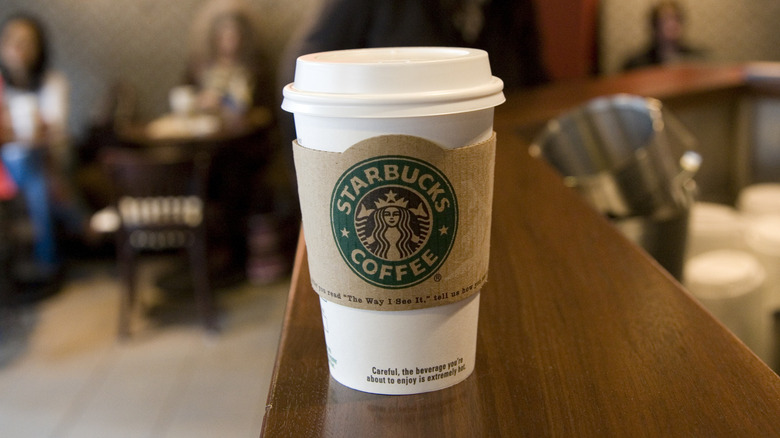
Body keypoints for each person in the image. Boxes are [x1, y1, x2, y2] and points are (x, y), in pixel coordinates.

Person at [0, 13, 84, 285]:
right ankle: (78, 223)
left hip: (45, 159)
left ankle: (47, 260)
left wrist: (25, 132)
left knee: (36, 166)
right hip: (7, 166)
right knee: (37, 173)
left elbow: (51, 133)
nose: (17, 48)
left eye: (26, 42)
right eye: (11, 41)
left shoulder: (52, 82)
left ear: (39, 48)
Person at [622, 1, 705, 71]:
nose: (672, 25)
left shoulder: (697, 59)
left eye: (677, 19)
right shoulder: (637, 64)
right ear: (654, 26)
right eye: (666, 20)